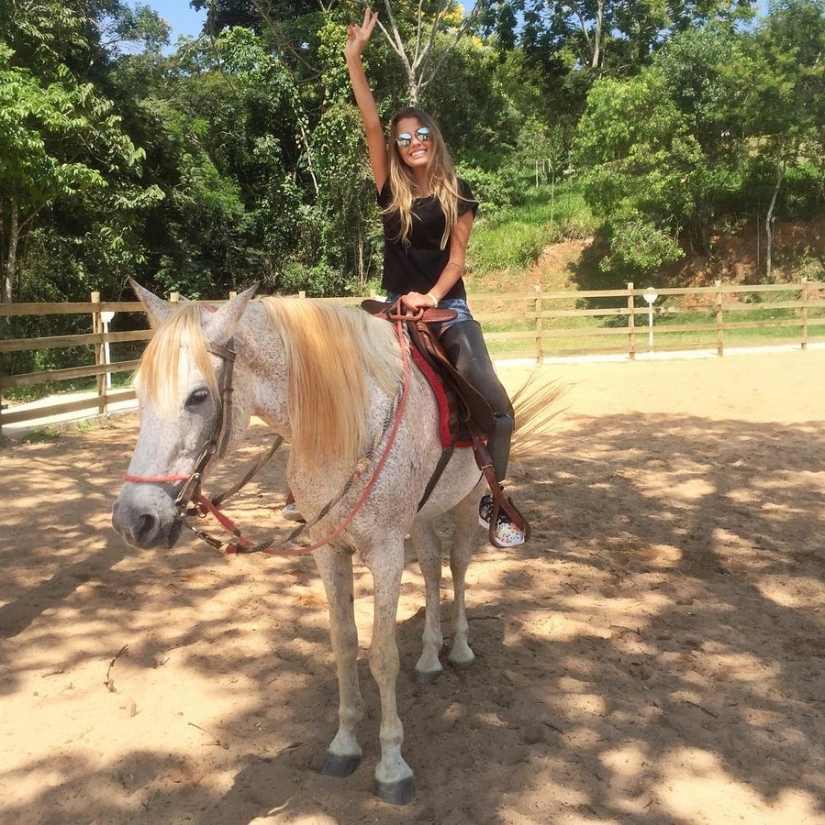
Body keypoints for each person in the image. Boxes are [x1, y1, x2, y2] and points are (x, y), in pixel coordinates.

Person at [342, 7, 525, 547]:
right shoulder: (389, 187)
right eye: (404, 138)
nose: (413, 141)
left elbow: (456, 262)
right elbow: (370, 122)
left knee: (498, 408)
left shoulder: (459, 193)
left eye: (421, 133)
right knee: (338, 378)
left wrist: (432, 296)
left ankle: (494, 500)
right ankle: (317, 484)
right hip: (392, 305)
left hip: (447, 305)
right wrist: (354, 60)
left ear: (433, 137)